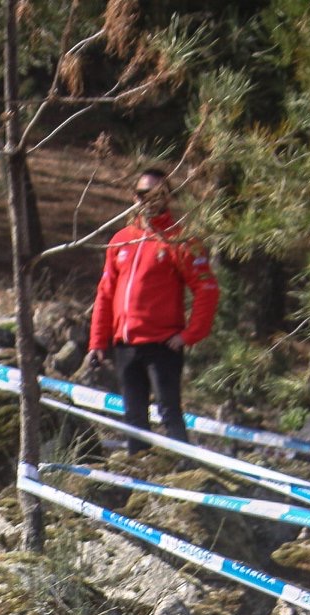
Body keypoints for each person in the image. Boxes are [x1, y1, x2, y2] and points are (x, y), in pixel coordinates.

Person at [84, 167, 220, 452]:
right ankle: (139, 481)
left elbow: (207, 289)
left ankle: (185, 476)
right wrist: (97, 341)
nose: (151, 200)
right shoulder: (121, 239)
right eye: (145, 193)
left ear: (169, 198)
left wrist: (190, 335)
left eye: (160, 194)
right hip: (125, 344)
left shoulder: (181, 240)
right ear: (134, 196)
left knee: (169, 412)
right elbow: (105, 292)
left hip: (163, 344)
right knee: (133, 418)